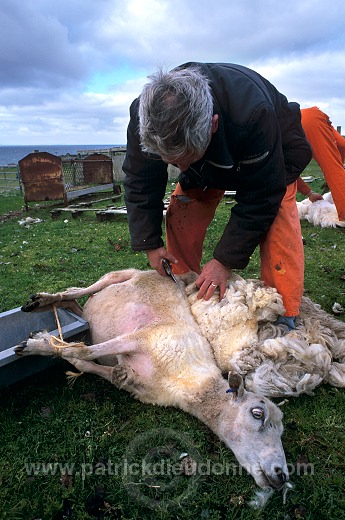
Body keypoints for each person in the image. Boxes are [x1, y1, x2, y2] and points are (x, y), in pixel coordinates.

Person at [123, 62, 312, 329]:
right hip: (210, 161)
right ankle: (185, 286)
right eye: (172, 162)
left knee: (277, 216)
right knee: (183, 209)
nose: (182, 169)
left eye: (185, 158)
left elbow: (261, 196)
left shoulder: (252, 113)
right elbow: (141, 179)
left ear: (212, 124)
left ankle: (283, 312)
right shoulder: (146, 117)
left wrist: (224, 261)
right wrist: (150, 243)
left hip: (275, 153)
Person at [299, 106, 345, 224]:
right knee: (334, 167)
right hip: (315, 115)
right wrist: (309, 193)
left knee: (333, 170)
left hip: (307, 121)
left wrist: (309, 193)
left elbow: (286, 172)